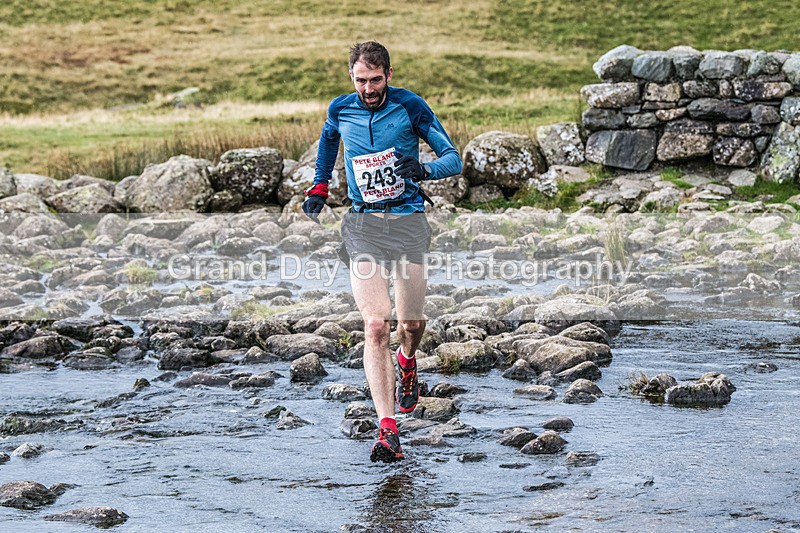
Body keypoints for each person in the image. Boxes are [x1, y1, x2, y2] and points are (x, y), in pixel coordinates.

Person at [302, 41, 462, 463]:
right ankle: (387, 429)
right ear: (351, 78)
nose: (368, 88)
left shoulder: (410, 106)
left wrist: (425, 169)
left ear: (388, 75)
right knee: (376, 325)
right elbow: (327, 145)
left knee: (409, 325)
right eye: (360, 80)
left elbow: (454, 159)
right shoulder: (341, 109)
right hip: (362, 226)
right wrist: (320, 186)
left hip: (408, 224)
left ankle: (408, 360)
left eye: (375, 80)